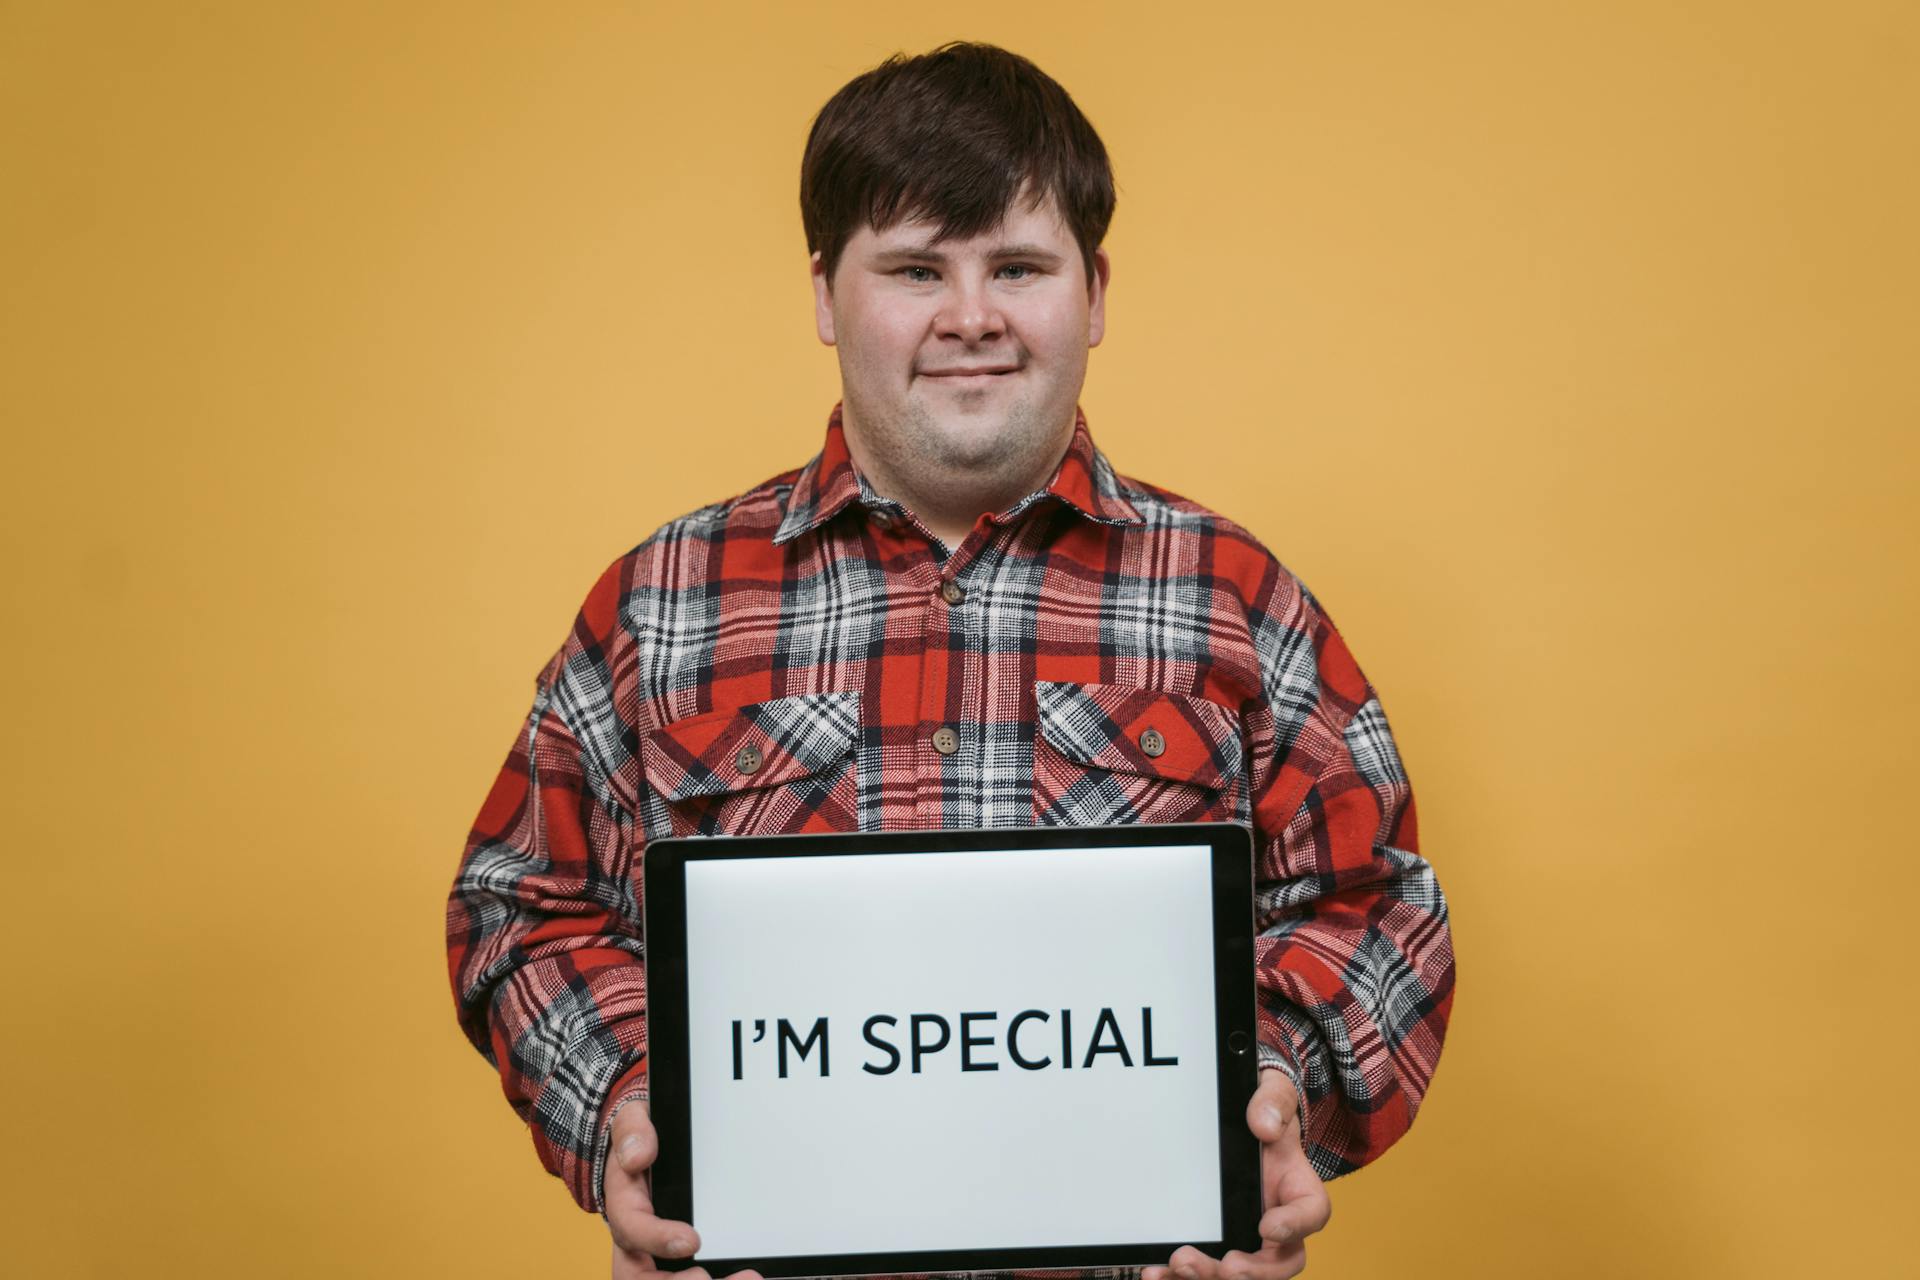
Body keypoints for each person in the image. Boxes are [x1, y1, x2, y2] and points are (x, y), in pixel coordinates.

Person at [446, 41, 1454, 1280]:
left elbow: (1384, 903)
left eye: (1017, 267)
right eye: (916, 268)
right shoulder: (663, 603)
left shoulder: (1233, 599)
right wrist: (644, 1113)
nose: (970, 316)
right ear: (826, 295)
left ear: (1094, 291)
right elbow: (519, 906)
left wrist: (1269, 1097)